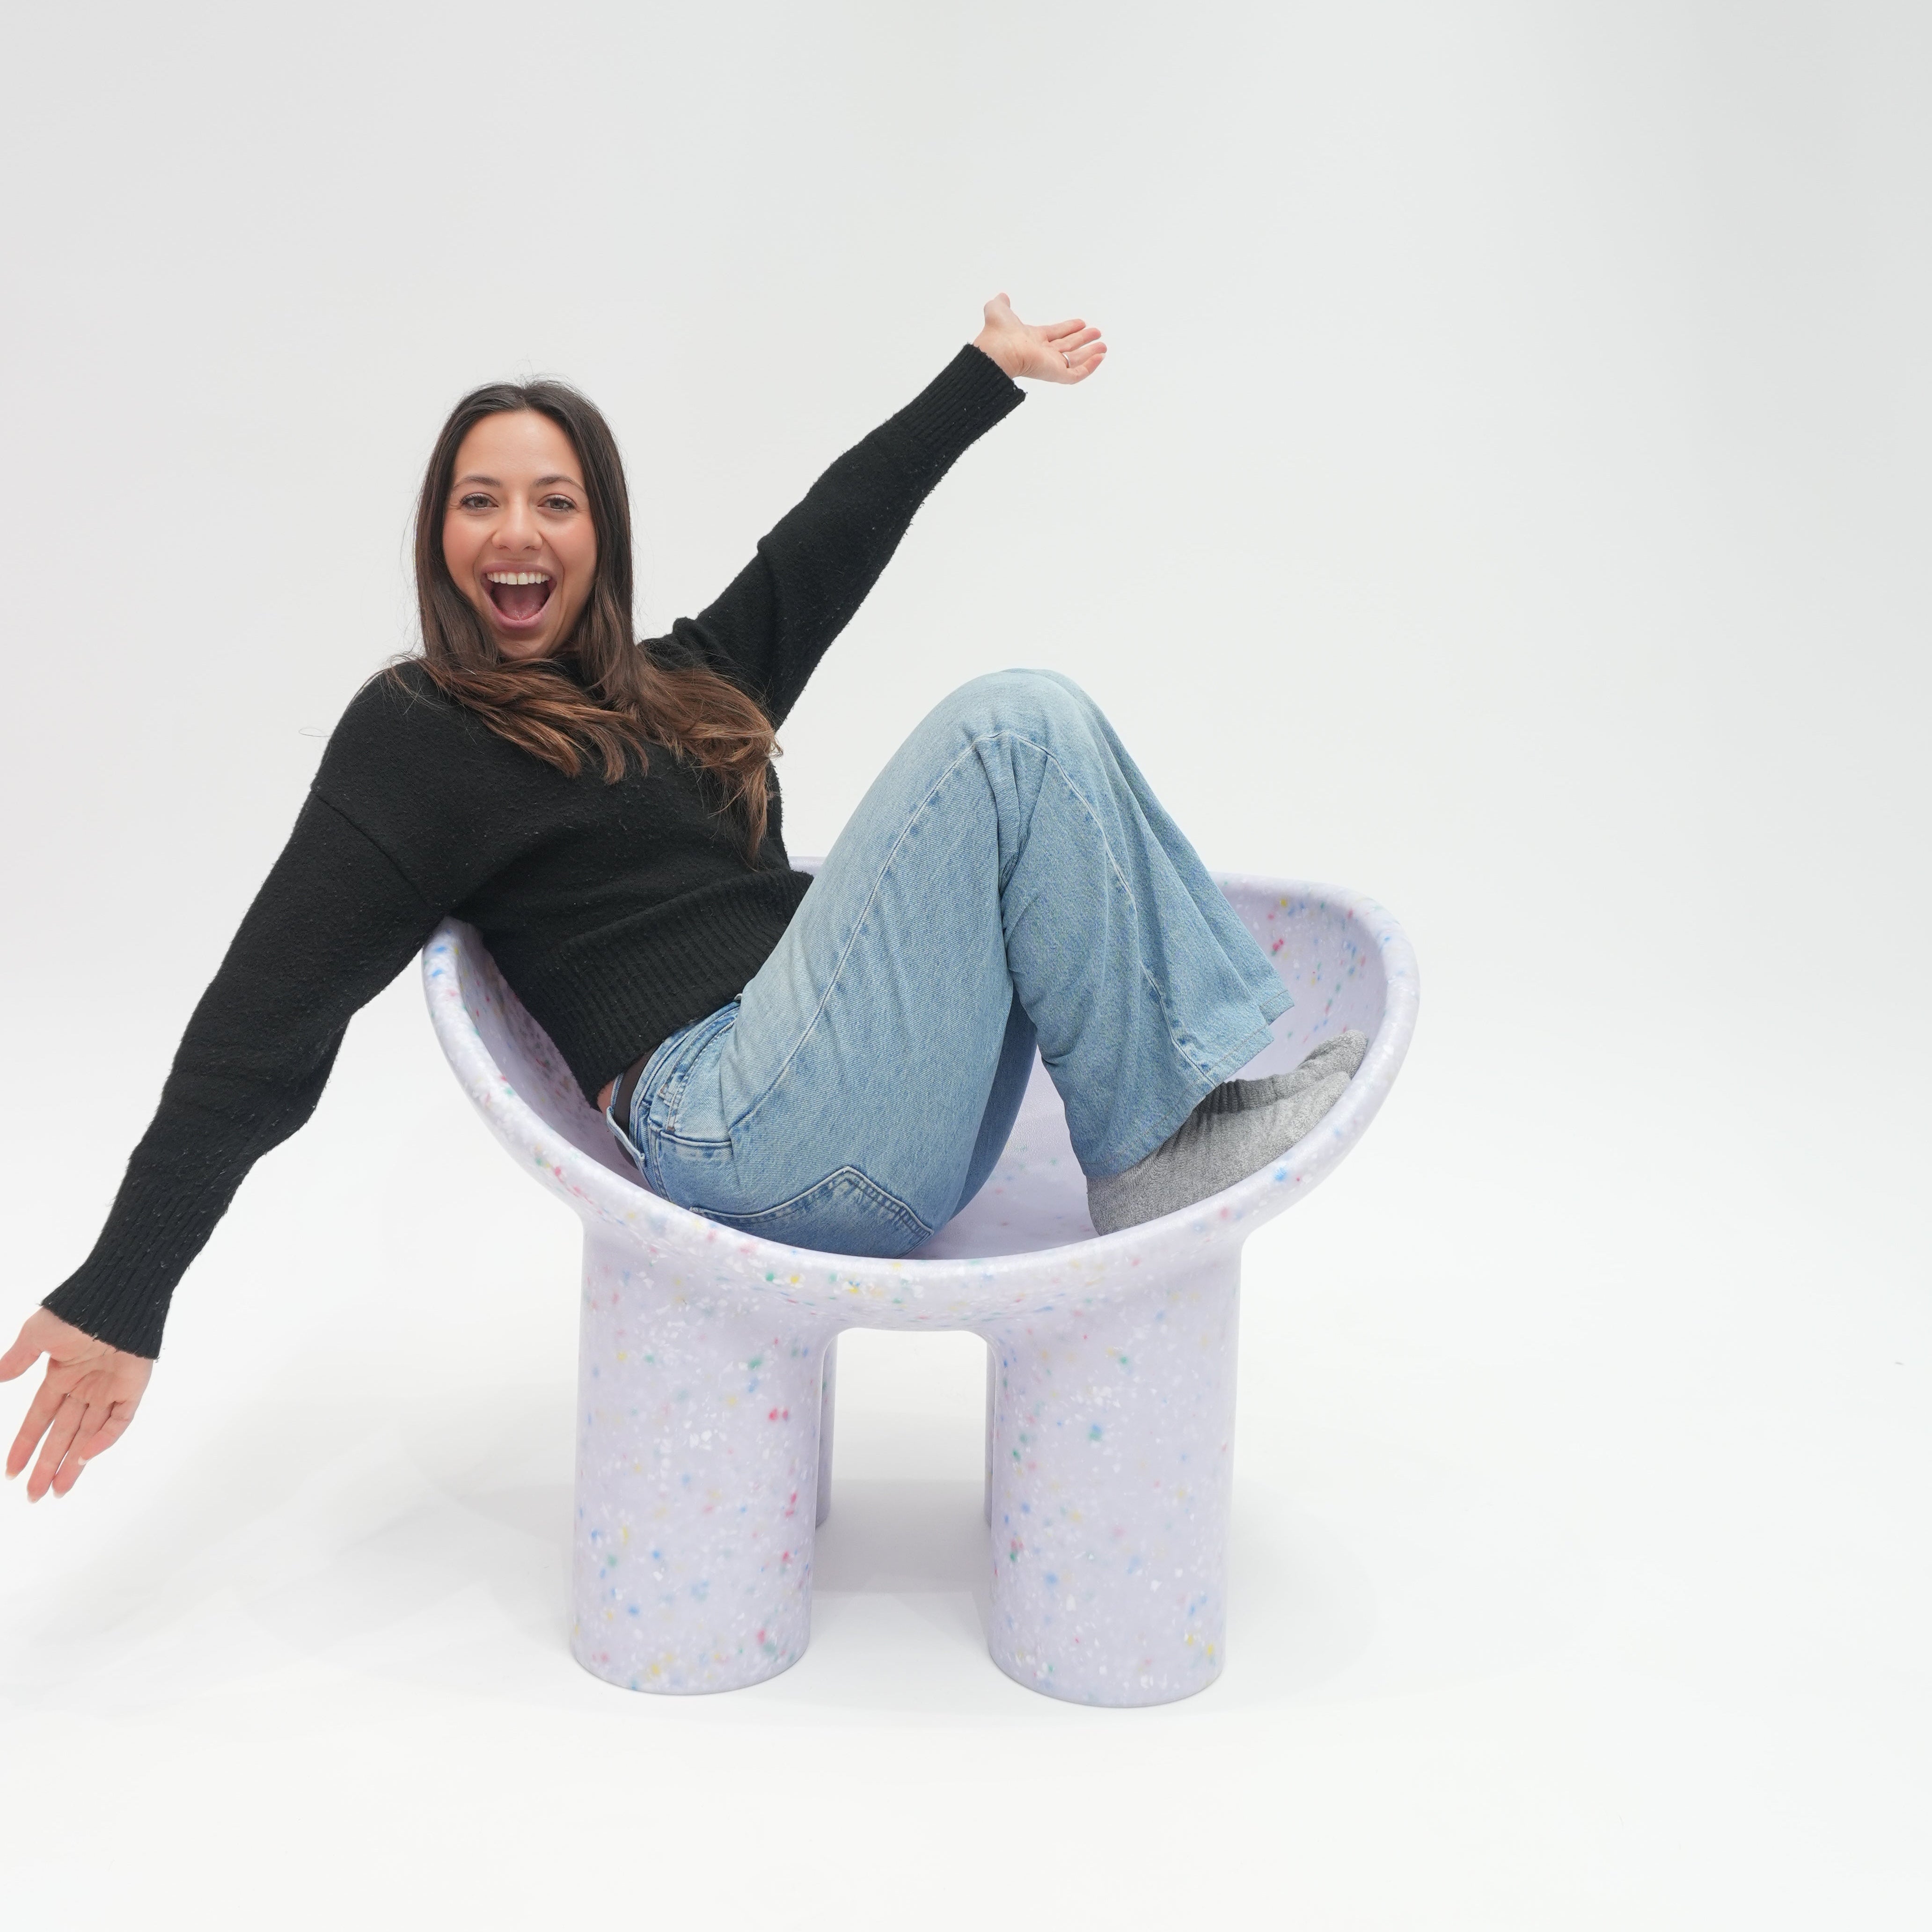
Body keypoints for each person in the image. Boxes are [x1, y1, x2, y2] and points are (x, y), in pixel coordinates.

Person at [2, 293, 1364, 1505]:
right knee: (1014, 726)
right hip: (736, 1123)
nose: (515, 532)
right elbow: (263, 1024)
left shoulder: (685, 684)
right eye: (479, 500)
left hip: (880, 1125)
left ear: (602, 533)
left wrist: (981, 372)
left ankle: (1171, 1116)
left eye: (554, 500)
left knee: (1027, 736)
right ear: (438, 536)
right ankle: (1159, 1148)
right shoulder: (416, 733)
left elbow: (829, 539)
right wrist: (128, 1288)